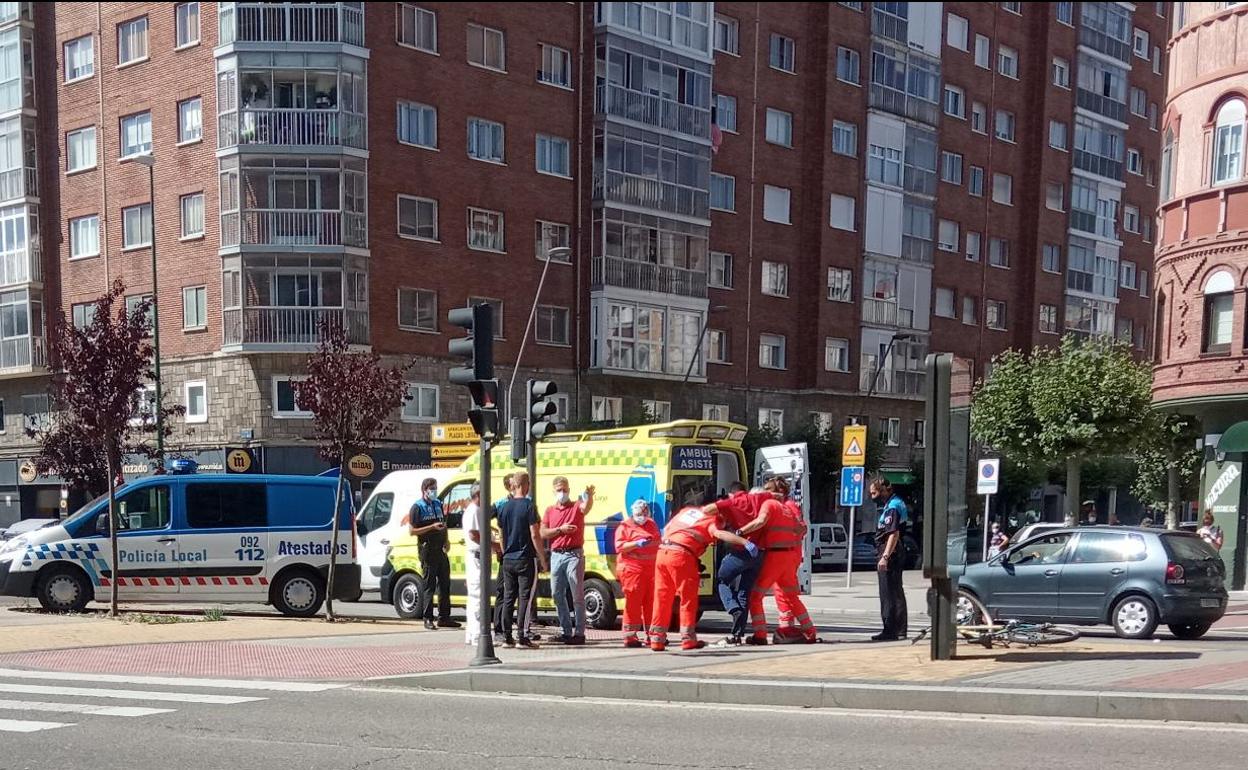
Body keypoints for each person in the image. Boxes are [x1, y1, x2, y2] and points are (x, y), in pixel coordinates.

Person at [649, 504, 753, 651]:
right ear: (721, 517)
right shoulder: (712, 521)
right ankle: (688, 639)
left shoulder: (687, 511)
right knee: (688, 599)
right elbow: (719, 534)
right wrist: (745, 542)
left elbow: (668, 529)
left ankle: (656, 640)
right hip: (681, 556)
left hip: (663, 552)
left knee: (662, 598)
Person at [747, 478, 816, 644]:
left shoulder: (785, 506)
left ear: (779, 491)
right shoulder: (786, 506)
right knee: (787, 595)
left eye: (768, 488)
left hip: (783, 554)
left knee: (777, 595)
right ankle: (799, 630)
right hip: (789, 554)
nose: (765, 491)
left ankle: (771, 632)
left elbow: (801, 528)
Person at [541, 476, 595, 645]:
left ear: (569, 490)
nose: (562, 493)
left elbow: (586, 508)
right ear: (553, 491)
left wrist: (590, 496)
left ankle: (579, 633)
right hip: (556, 554)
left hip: (574, 554)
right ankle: (565, 631)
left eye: (564, 489)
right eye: (559, 490)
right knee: (557, 593)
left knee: (577, 595)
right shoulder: (550, 510)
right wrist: (560, 530)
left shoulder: (576, 506)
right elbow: (543, 532)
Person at [710, 481, 765, 646]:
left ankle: (733, 608)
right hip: (759, 555)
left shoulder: (734, 504)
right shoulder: (760, 505)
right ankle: (737, 634)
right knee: (744, 592)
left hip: (740, 552)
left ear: (732, 494)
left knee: (722, 580)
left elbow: (713, 515)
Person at [495, 472, 546, 648]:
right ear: (525, 485)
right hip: (525, 557)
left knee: (509, 597)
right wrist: (542, 558)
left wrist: (504, 552)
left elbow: (501, 534)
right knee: (525, 597)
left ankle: (507, 637)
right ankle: (523, 636)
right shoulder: (529, 506)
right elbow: (535, 534)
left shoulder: (504, 507)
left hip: (508, 558)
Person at [409, 477, 459, 631]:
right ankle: (428, 618)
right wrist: (431, 527)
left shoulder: (438, 504)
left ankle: (444, 617)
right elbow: (412, 531)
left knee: (445, 583)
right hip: (427, 549)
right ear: (425, 490)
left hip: (440, 548)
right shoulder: (417, 507)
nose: (434, 491)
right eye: (432, 488)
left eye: (435, 488)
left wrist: (447, 539)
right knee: (429, 585)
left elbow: (442, 524)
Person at [614, 499, 660, 648]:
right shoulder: (625, 526)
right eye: (640, 514)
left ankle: (652, 635)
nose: (643, 516)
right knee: (633, 604)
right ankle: (630, 636)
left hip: (650, 570)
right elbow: (620, 546)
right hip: (632, 570)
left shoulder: (651, 524)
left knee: (651, 604)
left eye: (645, 513)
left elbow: (657, 543)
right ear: (633, 513)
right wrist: (636, 543)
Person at [462, 481, 500, 646]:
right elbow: (473, 534)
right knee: (478, 596)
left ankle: (472, 633)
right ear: (478, 495)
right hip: (477, 557)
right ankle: (478, 634)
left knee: (474, 597)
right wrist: (493, 545)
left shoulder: (477, 511)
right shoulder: (474, 511)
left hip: (479, 556)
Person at [870, 477, 908, 642]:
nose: (872, 497)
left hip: (890, 553)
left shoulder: (892, 507)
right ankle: (899, 629)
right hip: (895, 552)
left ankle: (890, 629)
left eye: (874, 493)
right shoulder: (895, 503)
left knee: (888, 593)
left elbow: (893, 533)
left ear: (884, 490)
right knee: (896, 592)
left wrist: (885, 557)